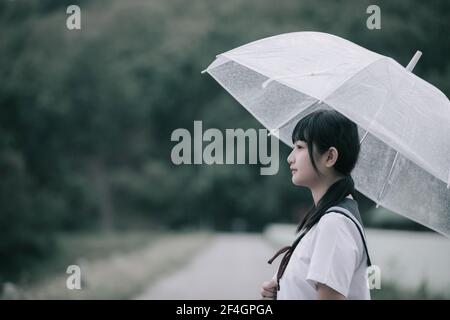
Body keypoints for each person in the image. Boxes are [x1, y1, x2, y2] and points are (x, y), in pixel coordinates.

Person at [260, 109, 372, 300]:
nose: (290, 157)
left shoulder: (335, 224)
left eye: (300, 147)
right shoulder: (326, 220)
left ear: (329, 157)